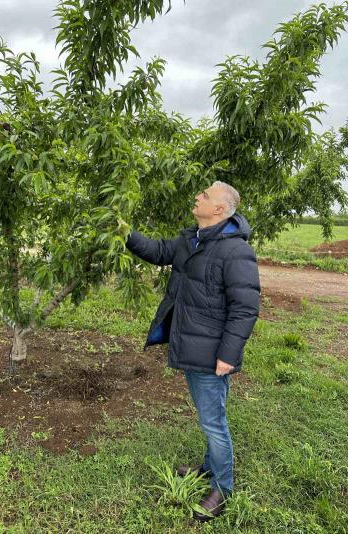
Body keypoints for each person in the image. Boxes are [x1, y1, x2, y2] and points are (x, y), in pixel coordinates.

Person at [125, 181, 261, 522]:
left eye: (205, 195)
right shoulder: (191, 239)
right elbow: (157, 251)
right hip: (191, 342)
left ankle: (223, 488)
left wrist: (228, 356)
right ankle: (208, 468)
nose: (198, 196)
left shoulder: (235, 251)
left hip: (211, 350)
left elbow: (245, 308)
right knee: (209, 414)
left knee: (213, 422)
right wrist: (124, 231)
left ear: (219, 209)